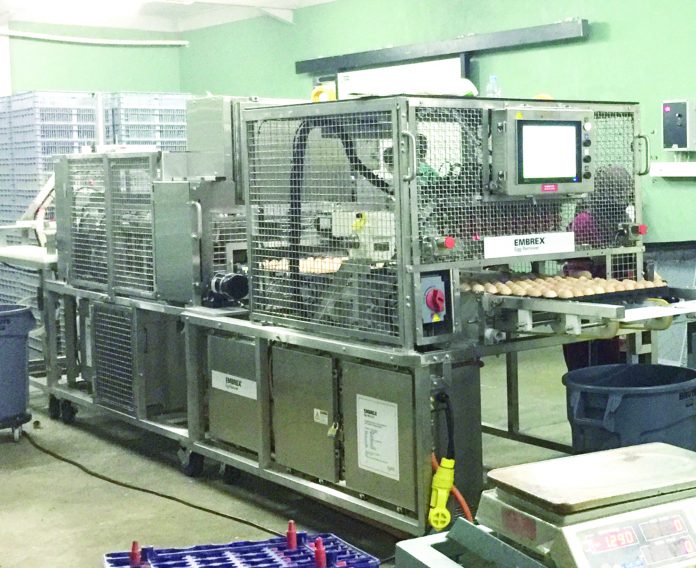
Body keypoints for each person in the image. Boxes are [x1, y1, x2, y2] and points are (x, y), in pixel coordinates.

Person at [562, 165, 633, 371]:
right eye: (617, 188)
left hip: (610, 300)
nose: (621, 194)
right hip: (583, 302)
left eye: (623, 188)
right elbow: (578, 268)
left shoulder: (623, 219)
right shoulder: (585, 220)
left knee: (609, 364)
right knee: (583, 363)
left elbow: (629, 258)